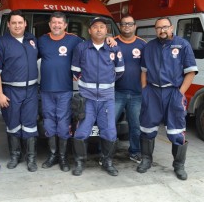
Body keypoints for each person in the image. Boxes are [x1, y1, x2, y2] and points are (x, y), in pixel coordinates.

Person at [138, 17, 198, 180]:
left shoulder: (183, 45)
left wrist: (180, 93)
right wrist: (145, 90)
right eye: (158, 28)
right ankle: (146, 160)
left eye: (165, 27)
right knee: (147, 128)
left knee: (176, 130)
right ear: (155, 30)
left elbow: (190, 72)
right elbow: (143, 70)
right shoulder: (149, 47)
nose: (162, 30)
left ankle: (179, 165)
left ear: (171, 28)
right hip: (152, 92)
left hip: (173, 92)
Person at [71, 17, 124, 176]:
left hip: (107, 98)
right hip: (86, 98)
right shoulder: (81, 48)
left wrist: (106, 81)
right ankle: (80, 162)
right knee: (82, 131)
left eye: (102, 27)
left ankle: (107, 161)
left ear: (106, 30)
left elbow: (120, 71)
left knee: (109, 131)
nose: (99, 29)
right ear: (89, 30)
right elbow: (75, 70)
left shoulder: (114, 48)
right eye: (95, 27)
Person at [0, 10, 39, 172]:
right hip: (10, 91)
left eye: (20, 22)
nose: (17, 26)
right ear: (9, 25)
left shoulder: (32, 40)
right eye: (14, 23)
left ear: (25, 24)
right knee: (13, 124)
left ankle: (31, 158)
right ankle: (15, 156)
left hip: (31, 90)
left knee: (30, 125)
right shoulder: (1, 43)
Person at [37, 12, 83, 172]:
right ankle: (53, 155)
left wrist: (110, 40)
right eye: (53, 22)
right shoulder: (41, 41)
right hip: (46, 90)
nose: (56, 25)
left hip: (65, 90)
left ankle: (63, 158)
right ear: (49, 25)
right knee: (49, 123)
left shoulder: (74, 40)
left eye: (60, 23)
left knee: (63, 124)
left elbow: (91, 48)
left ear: (65, 25)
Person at [114, 15, 146, 163]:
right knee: (109, 124)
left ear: (135, 26)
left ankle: (135, 151)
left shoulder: (143, 45)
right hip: (116, 92)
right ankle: (106, 152)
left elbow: (147, 69)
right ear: (120, 26)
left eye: (130, 24)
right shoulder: (112, 42)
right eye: (124, 24)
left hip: (136, 94)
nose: (127, 26)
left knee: (136, 126)